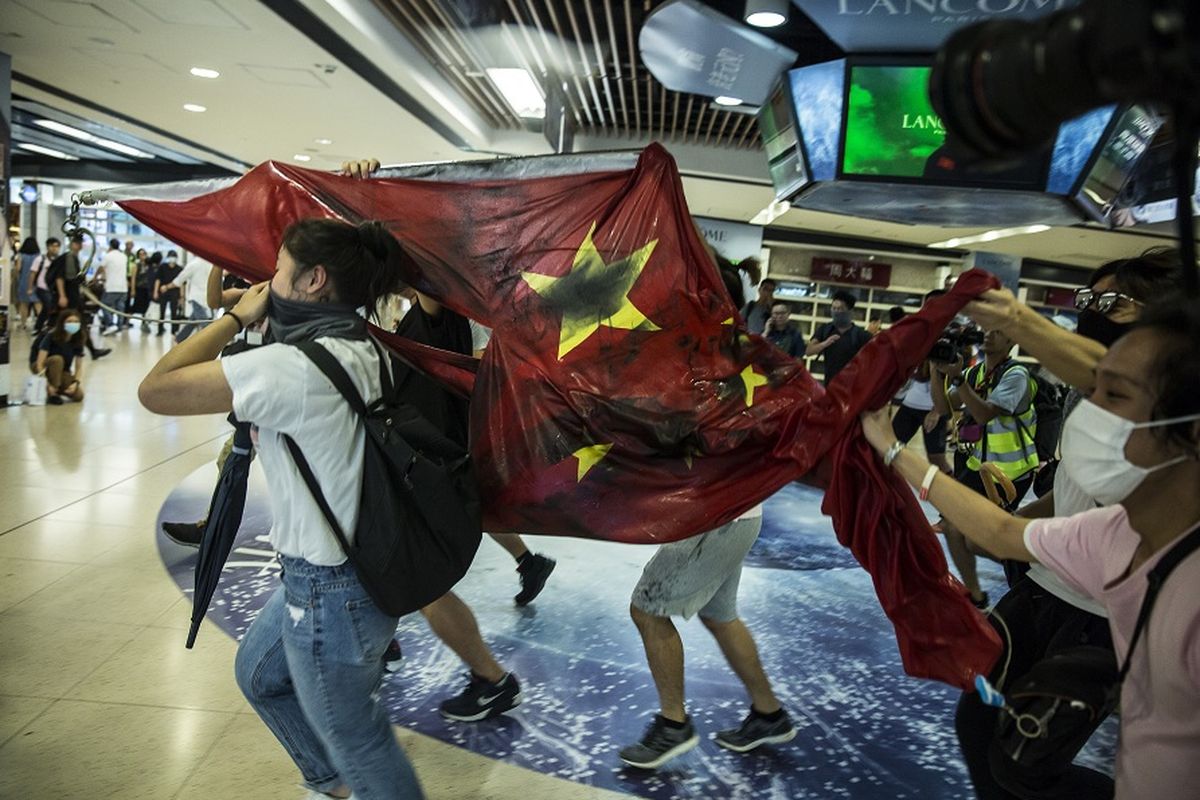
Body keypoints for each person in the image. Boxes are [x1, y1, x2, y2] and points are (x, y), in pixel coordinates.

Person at [859, 300, 1200, 800]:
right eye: (1092, 389)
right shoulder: (1111, 534)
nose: (1090, 409)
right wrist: (894, 453)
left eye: (1114, 395)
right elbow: (1001, 532)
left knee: (1025, 758)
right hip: (1048, 594)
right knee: (1002, 746)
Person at [138, 218, 425, 799]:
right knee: (260, 675)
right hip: (345, 571)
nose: (266, 280)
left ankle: (349, 782)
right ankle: (334, 786)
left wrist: (236, 316)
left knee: (362, 741)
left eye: (277, 269)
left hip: (330, 589)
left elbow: (156, 389)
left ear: (315, 279)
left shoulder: (291, 369)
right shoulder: (354, 342)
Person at [619, 504, 795, 769]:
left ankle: (673, 726)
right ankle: (770, 716)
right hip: (736, 518)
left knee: (647, 613)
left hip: (714, 521)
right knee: (720, 616)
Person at [933, 327, 1039, 607]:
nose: (989, 335)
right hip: (978, 466)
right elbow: (943, 406)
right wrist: (936, 368)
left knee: (981, 538)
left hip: (1010, 472)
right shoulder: (976, 373)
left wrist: (956, 377)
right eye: (987, 331)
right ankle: (976, 596)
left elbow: (983, 414)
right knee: (954, 528)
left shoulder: (1016, 375)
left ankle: (1029, 569)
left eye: (999, 331)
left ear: (1012, 340)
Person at [892, 290, 951, 474]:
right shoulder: (917, 332)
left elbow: (955, 379)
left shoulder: (952, 335)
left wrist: (936, 411)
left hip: (935, 408)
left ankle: (958, 495)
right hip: (910, 405)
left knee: (937, 460)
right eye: (928, 304)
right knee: (889, 450)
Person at [44, 235, 110, 360]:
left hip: (73, 298)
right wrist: (62, 296)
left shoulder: (73, 258)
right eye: (78, 243)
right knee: (59, 326)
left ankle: (91, 351)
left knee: (81, 325)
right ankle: (46, 350)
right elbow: (60, 278)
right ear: (72, 243)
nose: (80, 245)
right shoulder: (68, 258)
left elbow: (73, 279)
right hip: (67, 299)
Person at [807, 289, 872, 385]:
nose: (836, 312)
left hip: (853, 386)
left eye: (840, 309)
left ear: (849, 311)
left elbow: (873, 359)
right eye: (833, 308)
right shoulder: (826, 329)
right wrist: (825, 344)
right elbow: (809, 351)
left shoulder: (861, 335)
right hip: (830, 384)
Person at [32, 309, 87, 405]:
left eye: (76, 322)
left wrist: (76, 383)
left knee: (78, 396)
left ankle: (56, 388)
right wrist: (47, 384)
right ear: (62, 323)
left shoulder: (78, 339)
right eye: (69, 321)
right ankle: (53, 392)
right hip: (43, 367)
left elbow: (79, 367)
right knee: (57, 359)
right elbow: (39, 363)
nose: (73, 324)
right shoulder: (51, 336)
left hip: (63, 370)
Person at [173, 255, 215, 343]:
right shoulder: (210, 263)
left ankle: (212, 339)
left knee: (200, 321)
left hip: (196, 297)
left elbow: (180, 278)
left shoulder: (194, 263)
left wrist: (167, 286)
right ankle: (180, 338)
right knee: (198, 320)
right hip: (205, 296)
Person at [98, 238, 130, 335]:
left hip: (112, 287)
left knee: (104, 305)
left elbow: (101, 268)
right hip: (123, 287)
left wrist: (95, 278)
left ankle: (111, 324)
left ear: (110, 246)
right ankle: (119, 327)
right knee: (120, 307)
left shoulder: (108, 256)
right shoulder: (124, 256)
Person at [29, 237, 59, 331]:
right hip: (41, 287)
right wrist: (29, 288)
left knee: (47, 308)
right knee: (49, 305)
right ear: (48, 247)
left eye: (57, 246)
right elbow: (32, 274)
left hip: (53, 289)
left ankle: (39, 326)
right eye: (52, 246)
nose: (55, 248)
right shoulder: (40, 259)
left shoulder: (59, 261)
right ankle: (48, 325)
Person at [153, 250, 184, 337]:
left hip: (174, 293)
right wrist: (156, 291)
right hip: (163, 292)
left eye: (173, 256)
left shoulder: (179, 269)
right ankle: (160, 329)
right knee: (161, 312)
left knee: (174, 312)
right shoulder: (163, 267)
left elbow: (181, 283)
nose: (172, 258)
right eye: (170, 256)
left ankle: (174, 331)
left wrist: (182, 297)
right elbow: (158, 280)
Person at [16, 237, 40, 330]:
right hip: (35, 282)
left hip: (23, 282)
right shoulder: (38, 256)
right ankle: (40, 324)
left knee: (24, 304)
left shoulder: (21, 255)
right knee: (37, 303)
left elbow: (18, 268)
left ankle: (23, 324)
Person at [132, 249, 156, 329]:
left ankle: (144, 322)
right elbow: (133, 278)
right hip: (139, 288)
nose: (142, 256)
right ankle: (126, 321)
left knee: (147, 306)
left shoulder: (150, 265)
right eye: (141, 254)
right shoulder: (137, 265)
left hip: (148, 288)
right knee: (136, 305)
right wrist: (133, 289)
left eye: (144, 254)